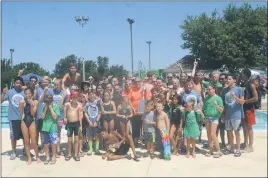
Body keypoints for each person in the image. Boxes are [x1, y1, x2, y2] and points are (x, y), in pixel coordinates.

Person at [1, 76, 25, 160]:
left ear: (22, 84)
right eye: (17, 83)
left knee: (25, 135)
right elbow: (1, 100)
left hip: (23, 118)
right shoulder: (10, 92)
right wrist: (3, 93)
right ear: (14, 84)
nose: (18, 84)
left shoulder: (24, 92)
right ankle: (14, 152)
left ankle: (25, 150)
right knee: (13, 136)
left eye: (20, 83)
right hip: (13, 117)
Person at [222, 74, 244, 157]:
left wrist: (234, 96)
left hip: (236, 115)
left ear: (234, 80)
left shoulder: (239, 89)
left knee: (236, 132)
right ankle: (231, 148)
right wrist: (223, 115)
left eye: (229, 79)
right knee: (229, 132)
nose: (228, 80)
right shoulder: (224, 90)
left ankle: (238, 149)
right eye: (227, 79)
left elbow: (242, 102)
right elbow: (223, 104)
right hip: (227, 115)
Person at [19, 88, 40, 165]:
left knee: (34, 141)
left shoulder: (35, 102)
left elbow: (33, 114)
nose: (28, 95)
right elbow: (21, 114)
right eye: (26, 93)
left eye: (29, 93)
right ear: (24, 94)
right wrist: (21, 122)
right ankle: (29, 157)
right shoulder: (22, 102)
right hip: (24, 121)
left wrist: (31, 104)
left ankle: (37, 156)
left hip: (32, 121)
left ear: (32, 94)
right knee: (26, 141)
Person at [202, 84, 224, 158]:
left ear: (214, 89)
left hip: (214, 118)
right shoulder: (207, 98)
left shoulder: (218, 98)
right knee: (208, 135)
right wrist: (203, 115)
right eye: (207, 89)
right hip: (207, 118)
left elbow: (221, 110)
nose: (209, 91)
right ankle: (210, 150)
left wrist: (216, 105)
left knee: (213, 134)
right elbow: (204, 108)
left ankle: (218, 151)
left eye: (210, 89)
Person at [116, 96, 140, 160]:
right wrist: (122, 116)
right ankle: (127, 149)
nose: (126, 101)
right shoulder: (119, 107)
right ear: (122, 101)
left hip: (127, 120)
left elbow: (132, 114)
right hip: (121, 120)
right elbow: (117, 114)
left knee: (128, 135)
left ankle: (134, 153)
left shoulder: (129, 107)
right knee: (124, 134)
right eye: (124, 100)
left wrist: (128, 116)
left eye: (127, 100)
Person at [241, 68, 258, 152]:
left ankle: (250, 146)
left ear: (246, 75)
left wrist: (246, 101)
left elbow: (256, 98)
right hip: (243, 109)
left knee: (249, 127)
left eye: (242, 74)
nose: (241, 75)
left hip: (249, 109)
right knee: (244, 127)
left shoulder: (251, 85)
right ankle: (245, 143)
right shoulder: (242, 84)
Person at [40, 94, 60, 165]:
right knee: (45, 143)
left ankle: (53, 156)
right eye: (46, 101)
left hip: (53, 128)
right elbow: (42, 117)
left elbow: (55, 117)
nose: (47, 103)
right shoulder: (43, 107)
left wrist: (51, 108)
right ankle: (47, 157)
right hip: (45, 128)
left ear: (52, 100)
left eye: (49, 101)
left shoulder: (56, 107)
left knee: (53, 143)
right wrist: (45, 109)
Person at [51, 77, 68, 157]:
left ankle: (58, 149)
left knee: (58, 133)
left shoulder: (64, 94)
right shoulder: (52, 92)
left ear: (61, 85)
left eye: (57, 84)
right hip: (51, 116)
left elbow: (64, 106)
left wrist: (65, 117)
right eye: (55, 84)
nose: (56, 86)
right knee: (52, 132)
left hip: (60, 116)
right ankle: (53, 149)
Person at [64, 91, 83, 161]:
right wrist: (65, 118)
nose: (74, 98)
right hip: (69, 124)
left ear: (78, 98)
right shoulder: (67, 104)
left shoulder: (79, 105)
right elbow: (64, 110)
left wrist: (81, 126)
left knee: (76, 140)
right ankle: (69, 154)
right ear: (71, 97)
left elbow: (80, 116)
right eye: (73, 97)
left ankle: (76, 154)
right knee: (69, 140)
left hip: (76, 124)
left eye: (76, 97)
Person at [86, 90, 101, 156]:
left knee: (96, 135)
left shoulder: (98, 103)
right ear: (88, 96)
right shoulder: (87, 103)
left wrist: (96, 121)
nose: (92, 95)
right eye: (90, 94)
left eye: (93, 94)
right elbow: (85, 113)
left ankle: (97, 149)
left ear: (95, 95)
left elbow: (100, 112)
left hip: (96, 122)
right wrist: (89, 121)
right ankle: (90, 149)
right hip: (89, 122)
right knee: (90, 136)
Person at [217, 73, 228, 148]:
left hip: (228, 110)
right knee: (221, 128)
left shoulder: (229, 88)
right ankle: (223, 143)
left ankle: (229, 143)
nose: (221, 80)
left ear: (226, 79)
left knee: (229, 129)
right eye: (220, 79)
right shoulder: (219, 88)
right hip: (221, 110)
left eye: (223, 78)